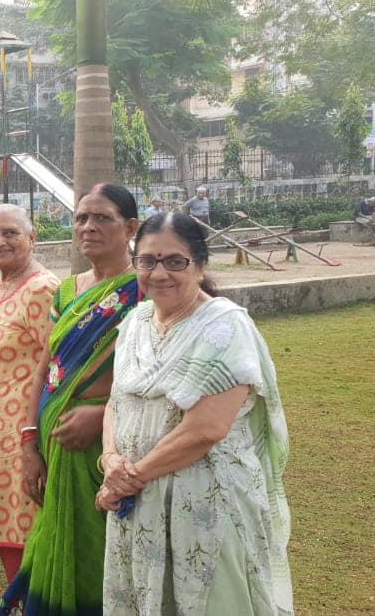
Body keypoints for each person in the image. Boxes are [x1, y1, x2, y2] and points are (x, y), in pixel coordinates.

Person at [98, 212, 293, 614]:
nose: (159, 273)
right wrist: (110, 459)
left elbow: (206, 429)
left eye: (175, 261)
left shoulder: (224, 327)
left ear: (201, 266)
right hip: (139, 500)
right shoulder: (134, 322)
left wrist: (125, 480)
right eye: (148, 260)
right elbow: (117, 402)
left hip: (204, 501)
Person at [0, 183, 144, 615]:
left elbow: (154, 383)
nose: (88, 226)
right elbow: (43, 371)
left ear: (130, 227)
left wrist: (100, 417)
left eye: (103, 218)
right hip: (52, 446)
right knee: (53, 536)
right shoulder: (67, 291)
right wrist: (28, 444)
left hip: (106, 448)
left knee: (100, 546)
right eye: (81, 217)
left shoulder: (144, 290)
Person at [0, 204, 58, 582]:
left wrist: (33, 443)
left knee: (28, 539)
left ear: (32, 238)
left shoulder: (42, 289)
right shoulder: (3, 286)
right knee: (8, 533)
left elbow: (57, 373)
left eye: (10, 232)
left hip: (25, 439)